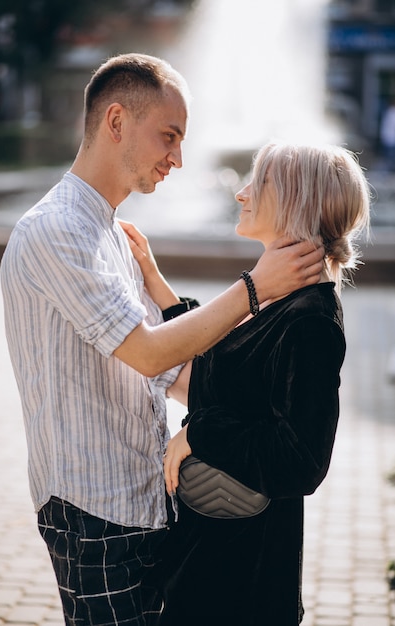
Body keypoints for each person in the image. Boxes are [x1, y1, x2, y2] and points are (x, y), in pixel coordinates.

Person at [0, 53, 324, 626]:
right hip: (92, 512)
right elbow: (150, 350)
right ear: (117, 121)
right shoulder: (56, 231)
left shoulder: (114, 236)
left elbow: (174, 371)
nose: (177, 158)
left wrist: (248, 422)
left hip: (148, 504)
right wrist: (255, 288)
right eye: (168, 136)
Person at [130, 140, 370, 626]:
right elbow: (223, 378)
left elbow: (301, 462)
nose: (241, 193)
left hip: (242, 581)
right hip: (213, 557)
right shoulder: (284, 300)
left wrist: (200, 433)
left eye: (258, 183)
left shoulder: (311, 321)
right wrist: (156, 283)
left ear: (297, 201)